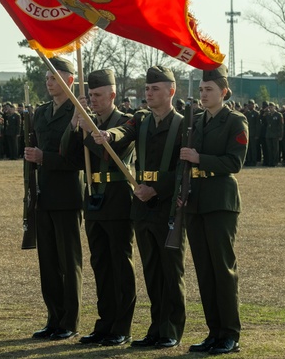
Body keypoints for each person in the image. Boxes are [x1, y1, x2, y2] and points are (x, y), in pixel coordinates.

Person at [93, 66, 187, 348]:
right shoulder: (142, 120)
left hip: (167, 205)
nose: (149, 93)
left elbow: (183, 168)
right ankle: (156, 328)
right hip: (142, 206)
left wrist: (156, 188)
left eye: (155, 88)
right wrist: (110, 136)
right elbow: (124, 130)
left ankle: (171, 328)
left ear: (171, 91)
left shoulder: (182, 125)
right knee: (151, 270)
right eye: (147, 89)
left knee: (171, 270)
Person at [179, 65, 247, 355]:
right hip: (196, 200)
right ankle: (213, 332)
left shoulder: (235, 121)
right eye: (202, 89)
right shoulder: (194, 121)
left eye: (209, 89)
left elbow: (234, 163)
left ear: (224, 92)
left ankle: (229, 333)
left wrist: (199, 158)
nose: (204, 94)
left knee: (222, 268)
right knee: (205, 270)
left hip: (220, 200)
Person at [24, 57, 85, 341]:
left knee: (67, 261)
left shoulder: (78, 111)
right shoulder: (42, 112)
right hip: (44, 194)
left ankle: (69, 321)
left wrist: (43, 158)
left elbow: (76, 160)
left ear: (70, 80)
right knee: (47, 261)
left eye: (55, 77)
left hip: (66, 194)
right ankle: (54, 318)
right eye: (47, 78)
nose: (49, 82)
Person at [78, 69, 136, 347]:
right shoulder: (87, 120)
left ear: (113, 95)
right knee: (100, 263)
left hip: (117, 197)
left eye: (98, 95)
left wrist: (90, 130)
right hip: (93, 198)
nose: (93, 100)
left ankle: (121, 327)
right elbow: (68, 152)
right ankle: (104, 324)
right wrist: (75, 123)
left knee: (119, 264)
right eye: (90, 96)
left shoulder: (125, 122)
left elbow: (110, 155)